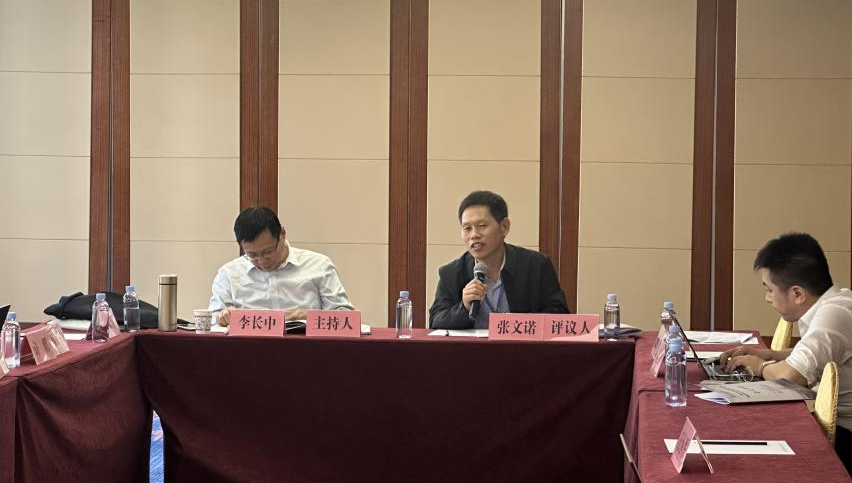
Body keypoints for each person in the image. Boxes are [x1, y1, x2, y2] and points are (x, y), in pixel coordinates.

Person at [720, 233, 851, 473]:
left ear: (797, 293)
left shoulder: (835, 314)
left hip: (843, 436)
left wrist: (759, 366)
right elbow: (813, 356)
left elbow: (791, 375)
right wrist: (766, 355)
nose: (767, 298)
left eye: (770, 290)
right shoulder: (831, 305)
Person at [429, 190, 569, 330]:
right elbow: (435, 321)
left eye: (482, 226)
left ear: (504, 227)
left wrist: (516, 324)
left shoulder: (536, 266)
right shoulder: (451, 274)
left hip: (520, 343)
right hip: (473, 345)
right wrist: (463, 307)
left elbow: (559, 314)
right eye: (467, 228)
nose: (474, 235)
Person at [209, 206, 353, 326]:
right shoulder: (229, 274)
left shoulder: (319, 265)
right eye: (252, 255)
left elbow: (346, 317)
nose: (262, 260)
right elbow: (212, 321)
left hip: (308, 348)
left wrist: (301, 315)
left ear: (282, 234)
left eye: (268, 252)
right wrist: (223, 317)